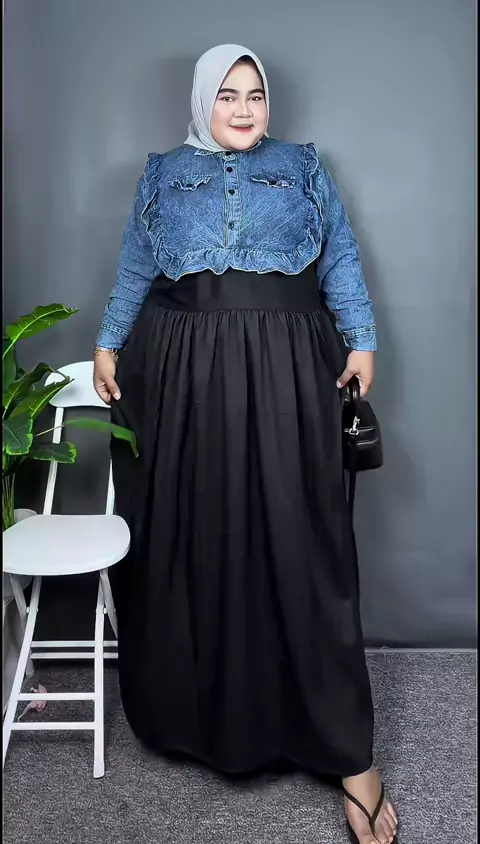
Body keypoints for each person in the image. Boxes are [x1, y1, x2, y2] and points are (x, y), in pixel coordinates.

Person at [93, 44, 399, 844]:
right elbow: (135, 266)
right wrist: (109, 342)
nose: (242, 108)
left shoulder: (303, 167)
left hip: (291, 366)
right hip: (184, 370)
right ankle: (201, 720)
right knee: (201, 535)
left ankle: (348, 753)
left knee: (303, 540)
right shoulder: (162, 174)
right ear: (204, 100)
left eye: (254, 94)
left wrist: (362, 338)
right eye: (226, 94)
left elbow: (339, 254)